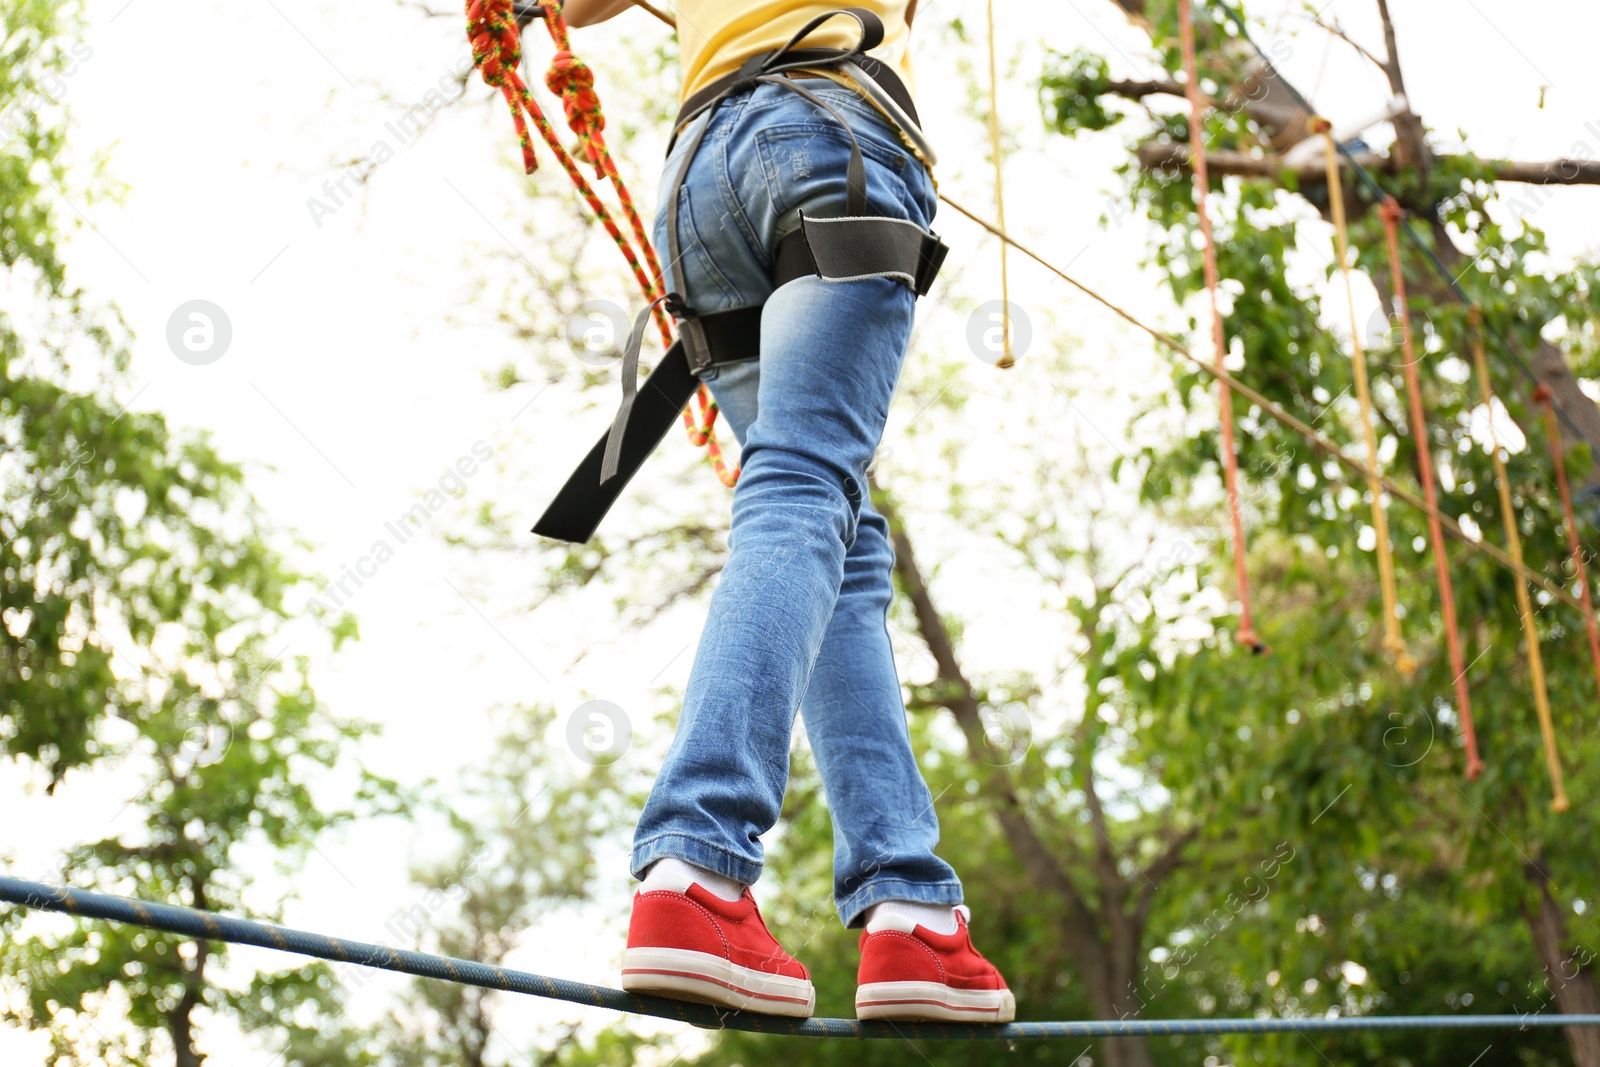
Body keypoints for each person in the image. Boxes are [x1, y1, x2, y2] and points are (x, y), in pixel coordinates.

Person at [562, 0, 1014, 1022]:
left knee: (836, 535)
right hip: (832, 134)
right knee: (804, 487)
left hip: (700, 185)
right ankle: (697, 868)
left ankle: (910, 906)